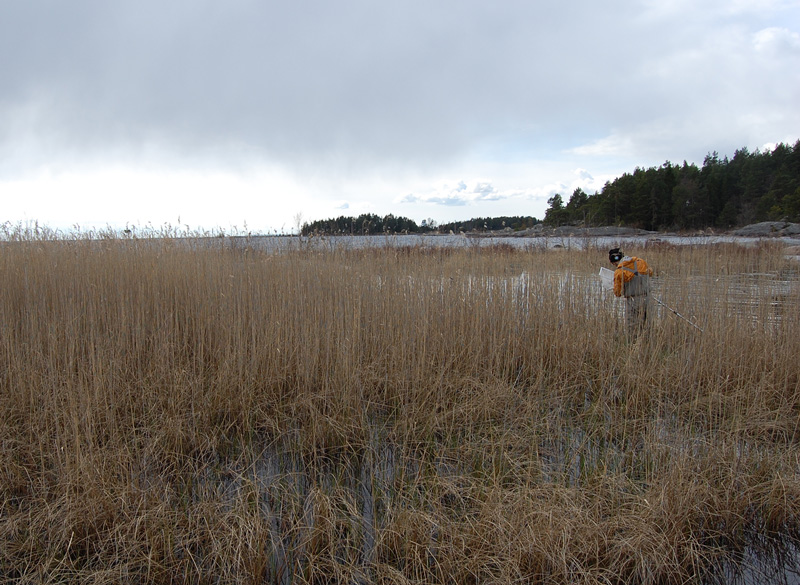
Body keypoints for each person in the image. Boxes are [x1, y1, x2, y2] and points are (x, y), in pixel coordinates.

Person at [609, 248, 653, 335]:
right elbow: (650, 272)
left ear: (614, 262)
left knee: (632, 328)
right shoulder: (641, 262)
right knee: (647, 326)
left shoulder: (619, 272)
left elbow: (618, 293)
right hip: (648, 298)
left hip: (633, 301)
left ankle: (632, 346)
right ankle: (646, 344)